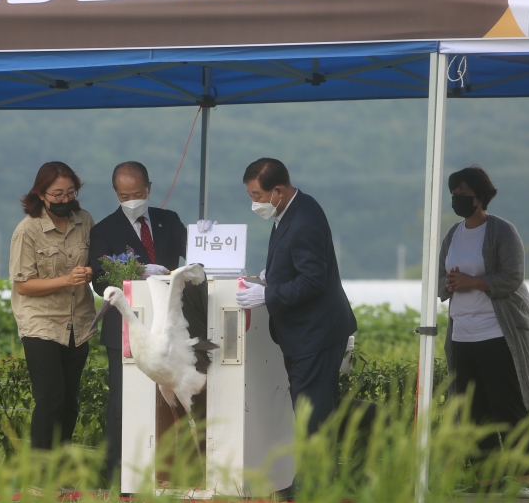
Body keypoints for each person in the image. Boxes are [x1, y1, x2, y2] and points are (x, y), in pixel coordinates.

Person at [89, 160, 214, 483]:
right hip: (128, 333)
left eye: (138, 192)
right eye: (124, 194)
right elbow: (101, 283)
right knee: (122, 403)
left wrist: (208, 237)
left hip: (168, 332)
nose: (132, 199)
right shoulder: (102, 230)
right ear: (115, 193)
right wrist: (136, 273)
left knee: (175, 400)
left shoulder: (167, 221)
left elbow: (198, 259)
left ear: (149, 188)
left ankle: (179, 471)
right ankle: (118, 478)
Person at [439, 166, 529, 489]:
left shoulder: (502, 232)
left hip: (496, 334)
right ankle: (487, 480)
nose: (457, 199)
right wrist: (449, 284)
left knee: (508, 407)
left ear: (480, 197)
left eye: (462, 194)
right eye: (453, 194)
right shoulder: (453, 234)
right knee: (473, 412)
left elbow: (512, 277)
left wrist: (473, 281)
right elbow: (441, 278)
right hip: (462, 335)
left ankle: (527, 480)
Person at [235, 158, 357, 439]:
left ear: (278, 191)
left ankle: (314, 483)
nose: (255, 202)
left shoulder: (304, 220)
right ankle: (308, 479)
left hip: (316, 334)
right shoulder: (292, 209)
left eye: (258, 195)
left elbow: (313, 280)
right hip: (304, 335)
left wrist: (267, 294)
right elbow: (297, 262)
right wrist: (274, 274)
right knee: (307, 412)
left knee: (311, 416)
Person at [10, 161, 96, 450]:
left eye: (70, 193)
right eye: (57, 194)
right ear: (41, 194)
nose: (64, 200)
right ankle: (38, 475)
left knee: (70, 401)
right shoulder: (28, 230)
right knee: (50, 398)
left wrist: (90, 273)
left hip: (79, 322)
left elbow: (97, 262)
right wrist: (67, 280)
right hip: (41, 323)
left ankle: (60, 471)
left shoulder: (84, 220)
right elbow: (23, 285)